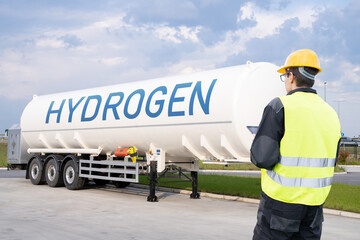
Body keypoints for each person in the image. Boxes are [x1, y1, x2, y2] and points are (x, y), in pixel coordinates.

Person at [251, 49, 341, 240]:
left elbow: (262, 158)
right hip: (314, 206)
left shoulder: (280, 106)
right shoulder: (331, 113)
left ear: (291, 76)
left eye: (285, 76)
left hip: (280, 204)